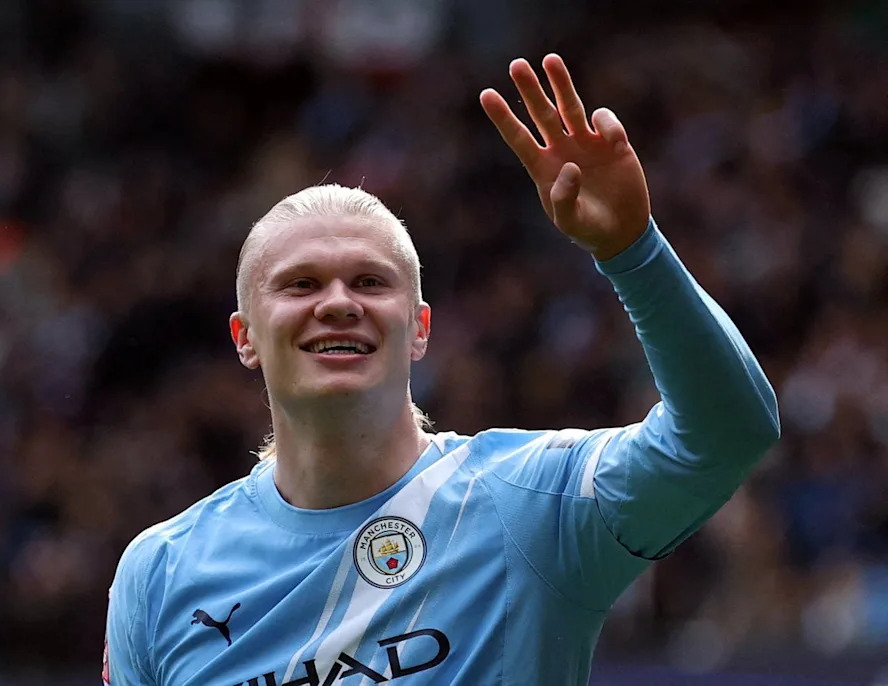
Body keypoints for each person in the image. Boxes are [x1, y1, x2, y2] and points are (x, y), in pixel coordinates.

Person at [104, 54, 780, 685]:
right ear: (245, 337)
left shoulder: (528, 508)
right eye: (301, 284)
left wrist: (633, 251)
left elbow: (726, 436)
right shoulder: (162, 572)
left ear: (420, 328)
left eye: (370, 282)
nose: (338, 303)